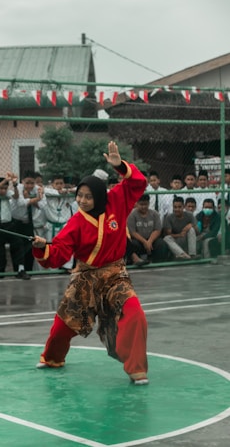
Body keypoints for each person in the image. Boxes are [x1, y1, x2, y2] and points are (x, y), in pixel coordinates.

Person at [32, 141, 148, 385]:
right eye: (79, 196)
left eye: (88, 196)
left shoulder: (117, 200)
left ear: (99, 195)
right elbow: (58, 254)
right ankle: (52, 357)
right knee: (64, 325)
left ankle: (137, 369)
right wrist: (43, 247)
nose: (82, 201)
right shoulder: (74, 223)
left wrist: (120, 166)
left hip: (116, 276)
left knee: (135, 314)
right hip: (86, 279)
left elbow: (138, 183)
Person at [0, 174, 30, 279]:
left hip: (8, 224)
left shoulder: (8, 193)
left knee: (18, 244)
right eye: (1, 188)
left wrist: (15, 185)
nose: (3, 191)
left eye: (5, 188)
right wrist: (4, 181)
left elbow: (16, 196)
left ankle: (20, 269)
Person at [127, 193, 169, 265]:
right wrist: (144, 242)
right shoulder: (132, 214)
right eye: (141, 204)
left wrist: (149, 241)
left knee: (161, 243)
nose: (143, 207)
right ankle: (136, 261)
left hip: (151, 240)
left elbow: (157, 230)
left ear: (149, 204)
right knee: (133, 244)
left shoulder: (155, 214)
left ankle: (158, 263)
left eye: (145, 204)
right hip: (139, 241)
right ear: (136, 203)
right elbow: (132, 232)